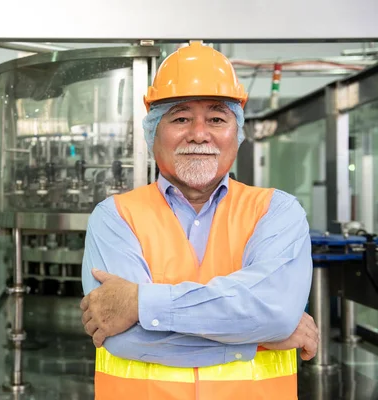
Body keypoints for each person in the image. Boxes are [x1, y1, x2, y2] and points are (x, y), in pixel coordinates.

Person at [80, 41, 319, 400]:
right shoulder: (114, 217)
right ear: (153, 132)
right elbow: (125, 339)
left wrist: (140, 304)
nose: (199, 133)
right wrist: (259, 339)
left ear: (236, 133)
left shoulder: (277, 212)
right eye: (180, 118)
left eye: (217, 118)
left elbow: (277, 313)